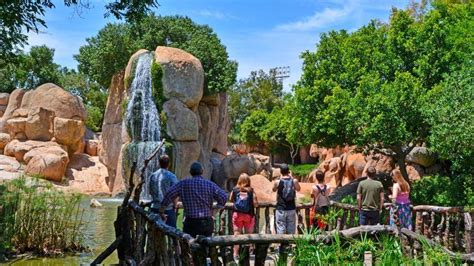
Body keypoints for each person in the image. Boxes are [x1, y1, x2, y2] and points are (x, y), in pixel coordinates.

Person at [160, 162, 227, 237]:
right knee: (206, 245)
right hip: (206, 222)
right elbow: (223, 196)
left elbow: (169, 193)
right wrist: (217, 208)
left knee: (190, 245)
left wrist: (162, 210)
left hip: (190, 222)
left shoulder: (183, 184)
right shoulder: (209, 184)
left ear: (190, 172)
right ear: (202, 171)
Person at [229, 173, 258, 260]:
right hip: (248, 215)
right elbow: (256, 204)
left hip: (237, 214)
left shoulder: (235, 189)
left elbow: (230, 199)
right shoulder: (251, 190)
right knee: (248, 235)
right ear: (248, 181)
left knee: (237, 234)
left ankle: (235, 254)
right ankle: (246, 254)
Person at [149, 155, 179, 227]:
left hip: (154, 208)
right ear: (169, 164)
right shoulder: (172, 176)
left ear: (159, 163)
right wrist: (175, 206)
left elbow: (150, 192)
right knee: (172, 234)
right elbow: (175, 193)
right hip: (168, 209)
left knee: (154, 233)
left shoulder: (153, 175)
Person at [272, 164, 301, 235]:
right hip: (291, 208)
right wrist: (291, 177)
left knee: (281, 227)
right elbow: (299, 189)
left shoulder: (278, 182)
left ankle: (282, 244)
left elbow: (273, 189)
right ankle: (290, 244)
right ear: (288, 171)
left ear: (281, 172)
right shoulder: (294, 181)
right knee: (291, 227)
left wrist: (280, 178)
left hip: (281, 208)